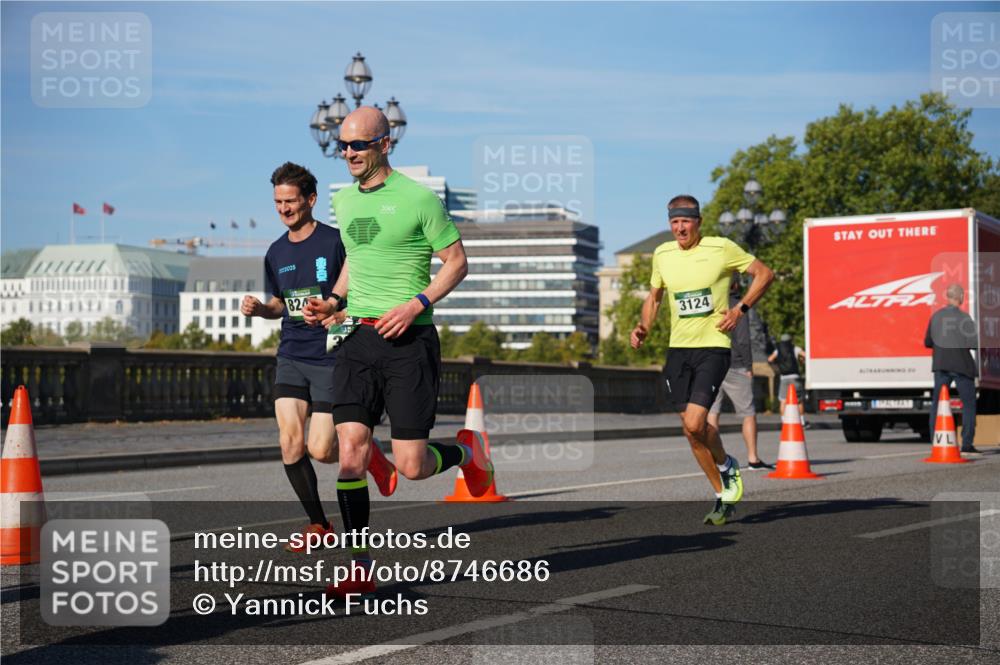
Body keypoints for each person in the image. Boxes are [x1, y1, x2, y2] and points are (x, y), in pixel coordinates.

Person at [305, 107, 493, 597]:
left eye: (358, 145)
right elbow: (354, 262)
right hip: (356, 339)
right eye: (343, 145)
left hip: (409, 341)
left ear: (385, 145)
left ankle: (464, 450)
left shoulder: (417, 199)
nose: (347, 153)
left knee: (411, 465)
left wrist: (416, 304)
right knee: (349, 453)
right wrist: (334, 300)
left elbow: (457, 262)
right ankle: (358, 566)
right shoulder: (343, 202)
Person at [241, 162, 396, 553]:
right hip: (291, 353)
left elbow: (361, 288)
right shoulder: (275, 251)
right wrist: (262, 309)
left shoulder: (335, 241)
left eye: (290, 201)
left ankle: (371, 453)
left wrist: (339, 313)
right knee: (290, 443)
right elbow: (280, 303)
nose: (283, 209)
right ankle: (318, 524)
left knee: (321, 449)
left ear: (310, 200)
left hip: (333, 355)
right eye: (277, 202)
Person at [631, 195, 774, 526]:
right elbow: (654, 298)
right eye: (674, 222)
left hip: (713, 347)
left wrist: (740, 309)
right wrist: (643, 327)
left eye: (685, 221)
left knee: (696, 423)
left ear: (698, 221)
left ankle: (725, 464)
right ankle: (722, 491)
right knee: (690, 430)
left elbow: (764, 273)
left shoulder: (720, 248)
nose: (680, 228)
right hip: (677, 349)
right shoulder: (663, 254)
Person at [707, 273, 772, 470]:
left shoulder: (711, 306)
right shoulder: (738, 305)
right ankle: (753, 458)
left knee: (712, 414)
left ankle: (714, 459)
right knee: (748, 413)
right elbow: (743, 338)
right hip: (735, 364)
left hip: (711, 364)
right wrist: (749, 366)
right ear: (735, 284)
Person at [924, 283, 979, 453]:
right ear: (961, 297)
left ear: (947, 297)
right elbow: (974, 344)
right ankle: (967, 444)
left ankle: (936, 440)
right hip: (962, 366)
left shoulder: (935, 317)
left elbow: (927, 342)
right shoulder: (964, 318)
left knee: (938, 404)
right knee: (968, 405)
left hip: (940, 365)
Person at [768, 334, 805, 418]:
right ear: (790, 340)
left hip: (784, 377)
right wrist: (802, 361)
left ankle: (784, 421)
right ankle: (802, 421)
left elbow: (770, 359)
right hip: (795, 377)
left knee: (783, 400)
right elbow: (805, 355)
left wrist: (777, 368)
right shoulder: (795, 348)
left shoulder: (778, 350)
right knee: (799, 401)